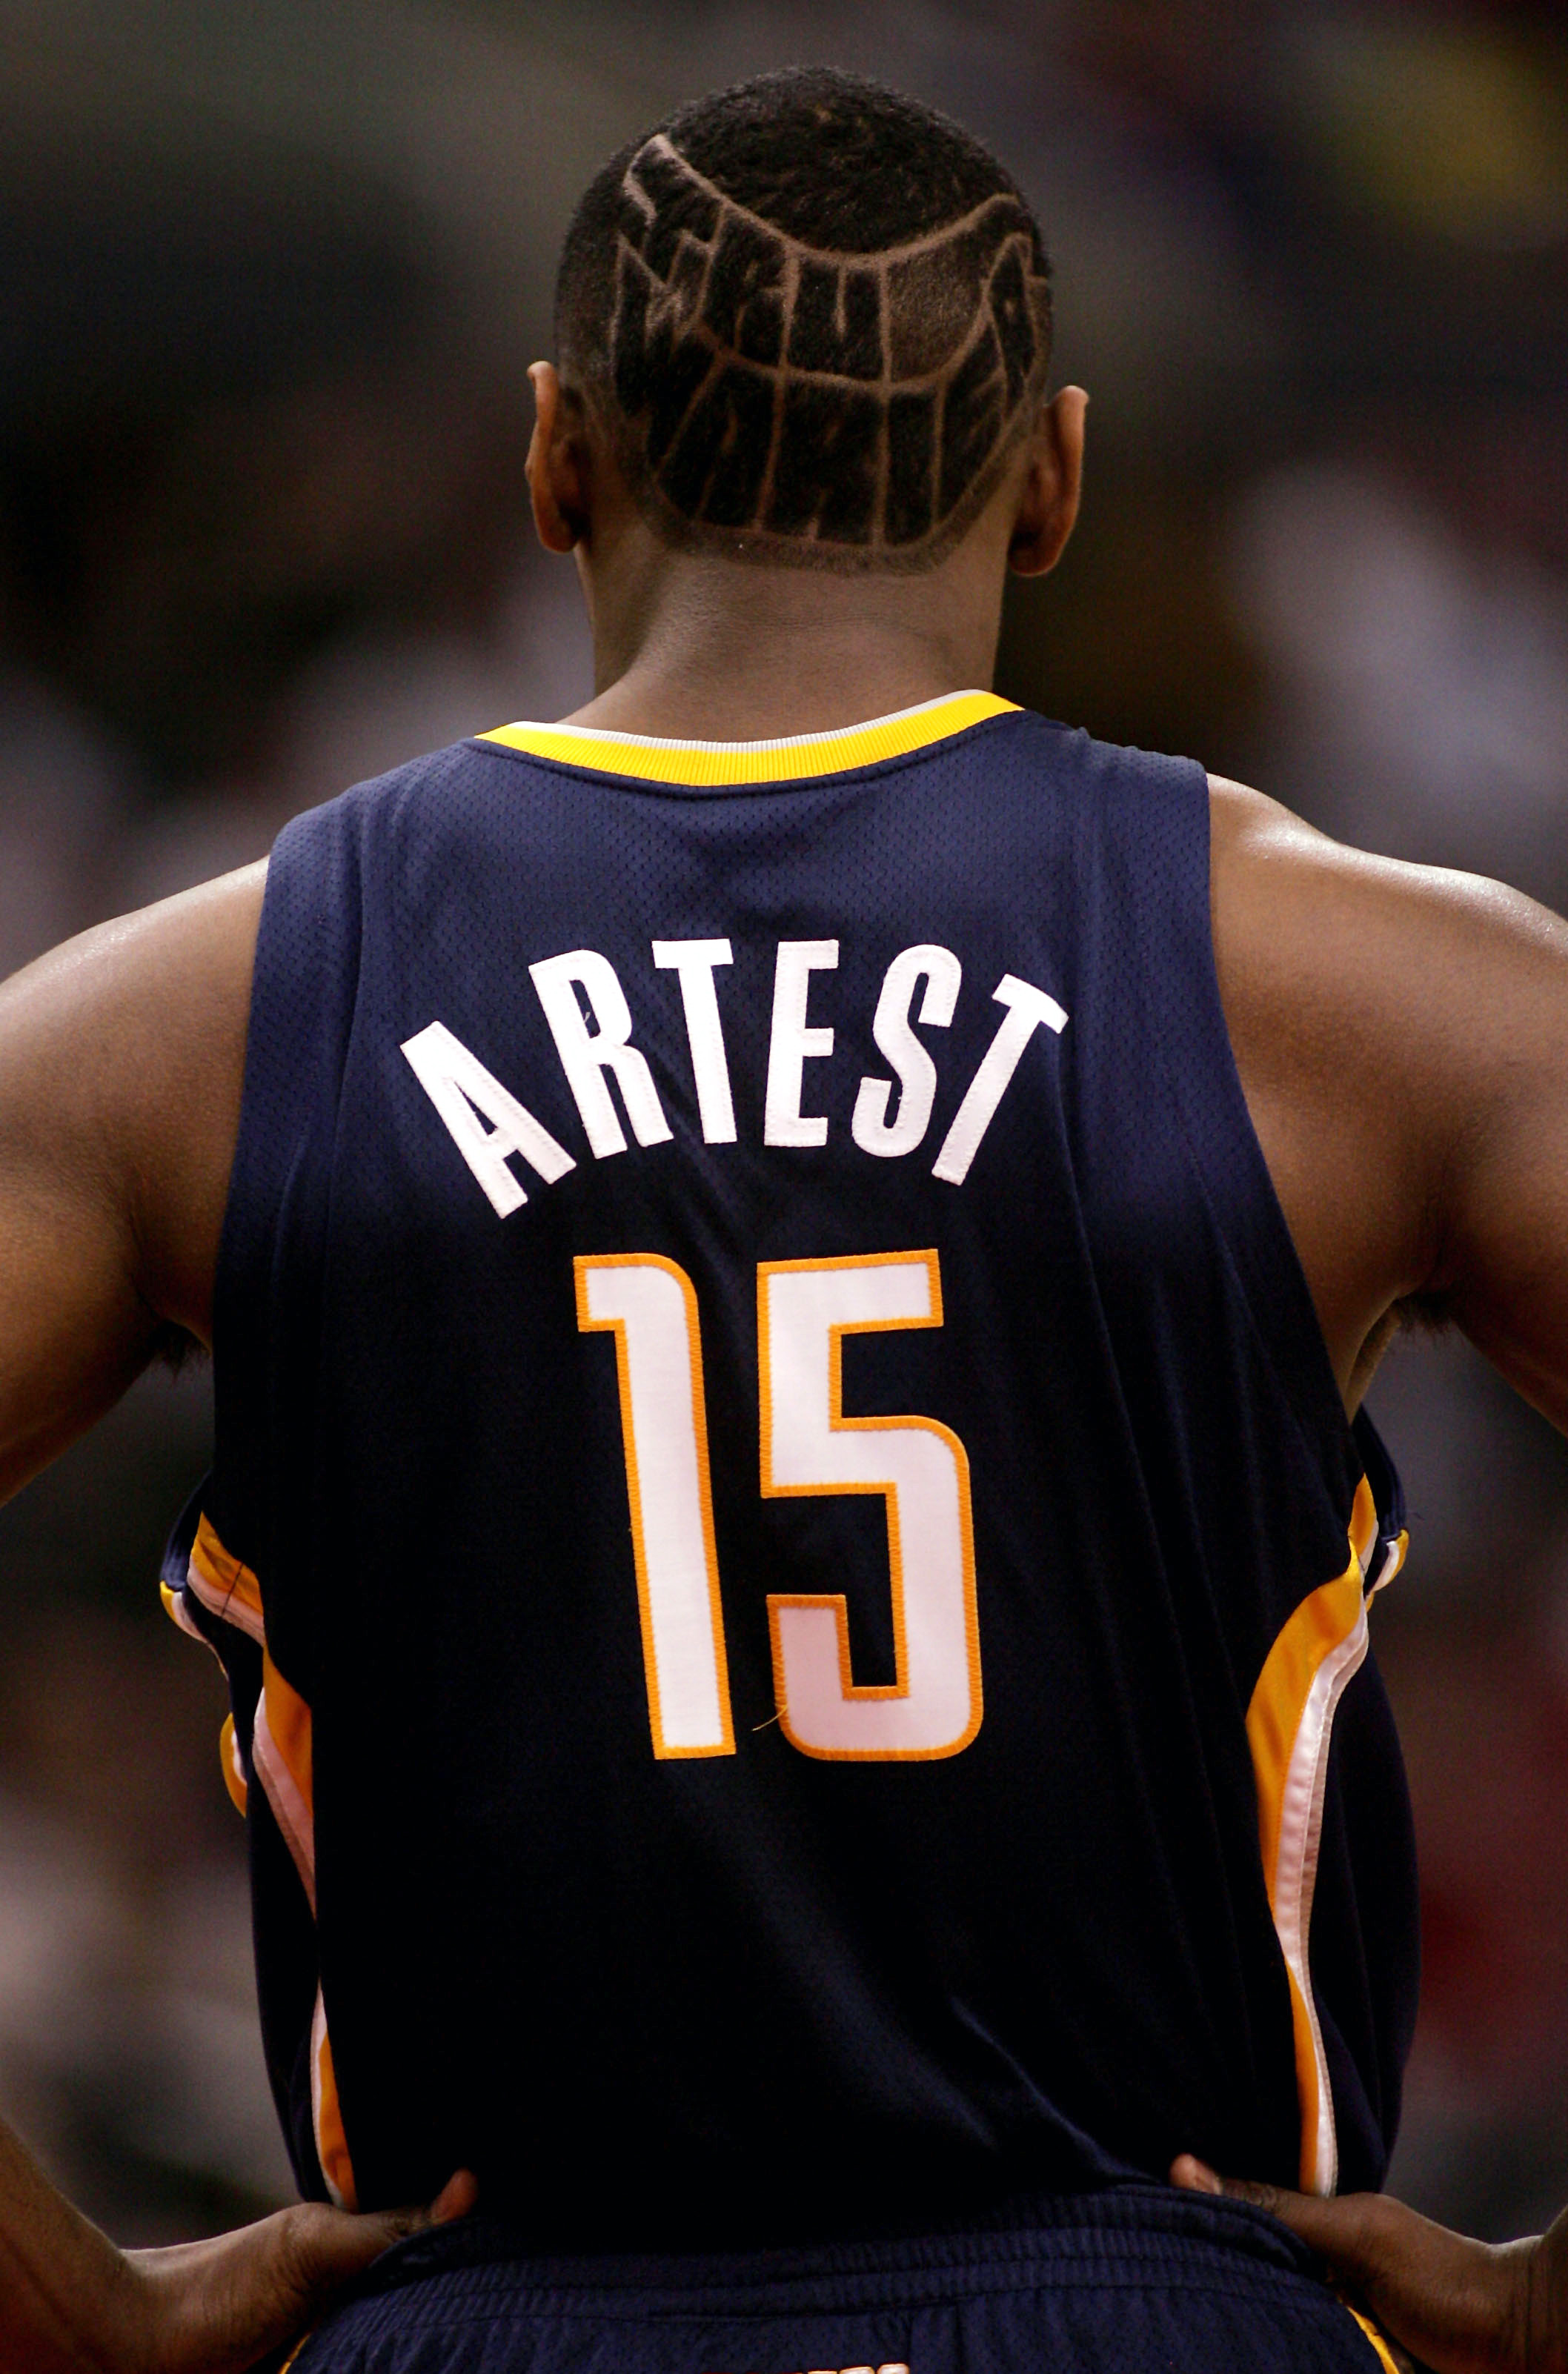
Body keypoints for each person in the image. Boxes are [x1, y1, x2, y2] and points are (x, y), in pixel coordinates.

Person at [4, 63, 1568, 2374]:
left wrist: (69, 2313)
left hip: (500, 2317)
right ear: (1048, 485)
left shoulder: (189, 1017)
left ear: (553, 458)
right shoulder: (1380, 992)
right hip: (1143, 2306)